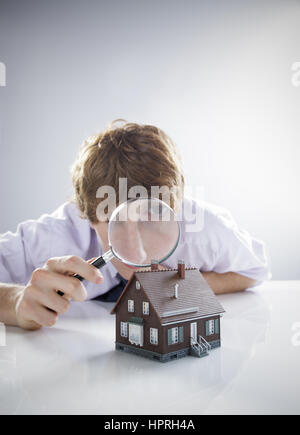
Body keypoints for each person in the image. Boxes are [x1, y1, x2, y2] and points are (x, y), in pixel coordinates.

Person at [0, 121, 271, 330]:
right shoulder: (56, 237)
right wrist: (13, 302)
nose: (137, 253)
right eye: (113, 222)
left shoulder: (203, 231)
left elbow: (255, 269)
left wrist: (183, 285)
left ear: (175, 211)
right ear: (89, 217)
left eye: (150, 217)